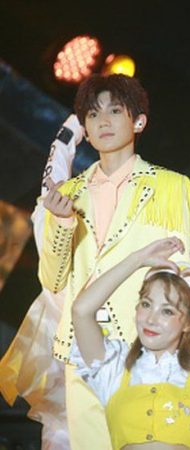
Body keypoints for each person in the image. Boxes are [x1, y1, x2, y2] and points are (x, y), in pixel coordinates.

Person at [38, 74, 190, 449]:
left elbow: (184, 274)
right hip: (82, 347)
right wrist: (62, 223)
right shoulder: (68, 193)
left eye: (114, 111)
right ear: (85, 128)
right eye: (93, 115)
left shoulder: (171, 185)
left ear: (138, 121)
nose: (104, 121)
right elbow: (53, 279)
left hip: (145, 344)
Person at [70, 237, 190, 449]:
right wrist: (138, 259)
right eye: (146, 304)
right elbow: (81, 311)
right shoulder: (114, 368)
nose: (151, 319)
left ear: (189, 322)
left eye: (167, 311)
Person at [0, 114, 84, 449]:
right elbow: (56, 170)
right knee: (59, 428)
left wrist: (74, 127)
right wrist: (74, 125)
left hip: (86, 333)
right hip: (60, 334)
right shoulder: (52, 208)